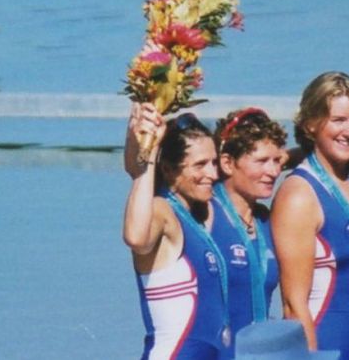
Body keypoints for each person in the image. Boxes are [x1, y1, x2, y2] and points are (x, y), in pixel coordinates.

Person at [271, 71, 349, 359]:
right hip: (326, 342)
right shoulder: (299, 196)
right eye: (338, 120)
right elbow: (294, 306)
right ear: (310, 123)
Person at [122, 104, 230, 360]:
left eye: (214, 162)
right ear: (169, 169)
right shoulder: (162, 211)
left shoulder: (195, 216)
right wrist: (148, 153)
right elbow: (136, 238)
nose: (212, 173)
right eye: (200, 165)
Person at [209, 107, 287, 340]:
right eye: (261, 161)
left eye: (277, 161)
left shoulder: (265, 220)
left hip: (257, 351)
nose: (273, 171)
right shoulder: (203, 215)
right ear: (227, 163)